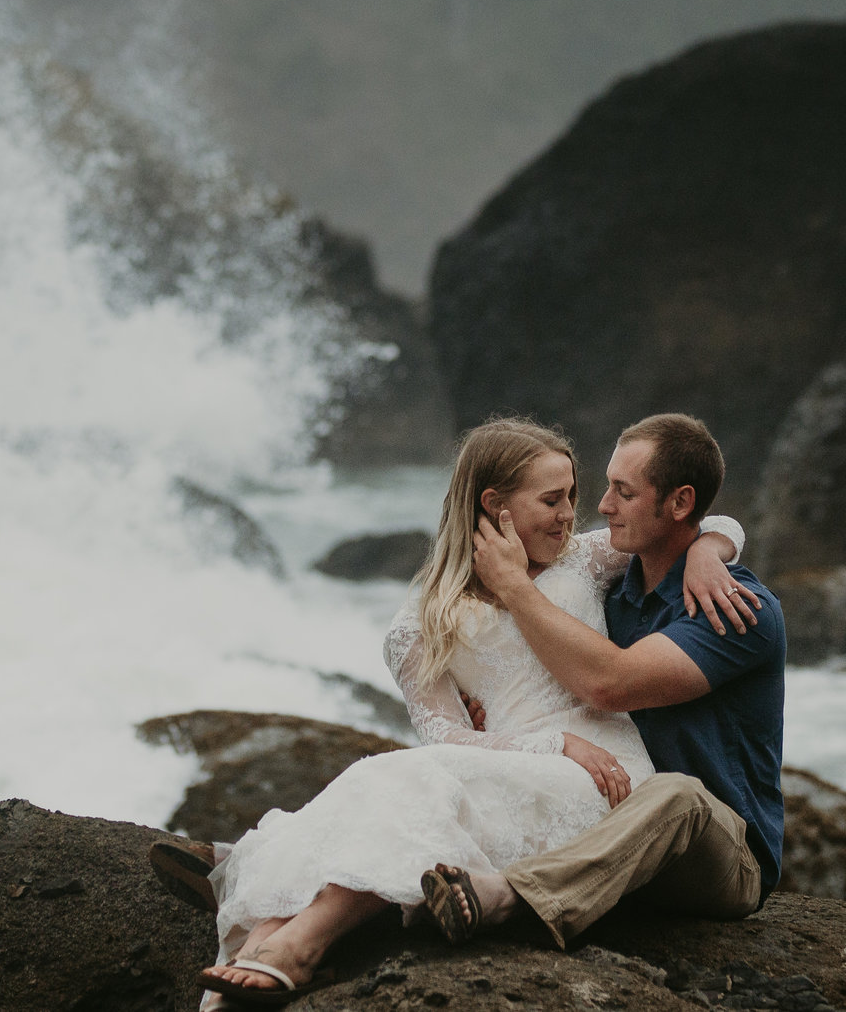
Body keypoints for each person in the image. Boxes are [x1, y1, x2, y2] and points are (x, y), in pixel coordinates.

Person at [166, 416, 760, 1008]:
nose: (572, 514)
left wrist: (709, 551)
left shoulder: (580, 561)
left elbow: (701, 522)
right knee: (400, 774)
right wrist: (549, 745)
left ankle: (278, 919)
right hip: (521, 767)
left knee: (404, 778)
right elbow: (443, 736)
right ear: (494, 505)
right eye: (552, 499)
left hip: (606, 777)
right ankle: (270, 938)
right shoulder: (421, 620)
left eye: (573, 497)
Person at [421, 412, 784, 949]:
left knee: (678, 795)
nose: (602, 505)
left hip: (719, 853)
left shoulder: (735, 609)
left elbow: (608, 684)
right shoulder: (613, 595)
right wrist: (494, 712)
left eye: (623, 491)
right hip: (609, 830)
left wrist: (515, 587)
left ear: (680, 504)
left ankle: (506, 898)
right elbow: (550, 674)